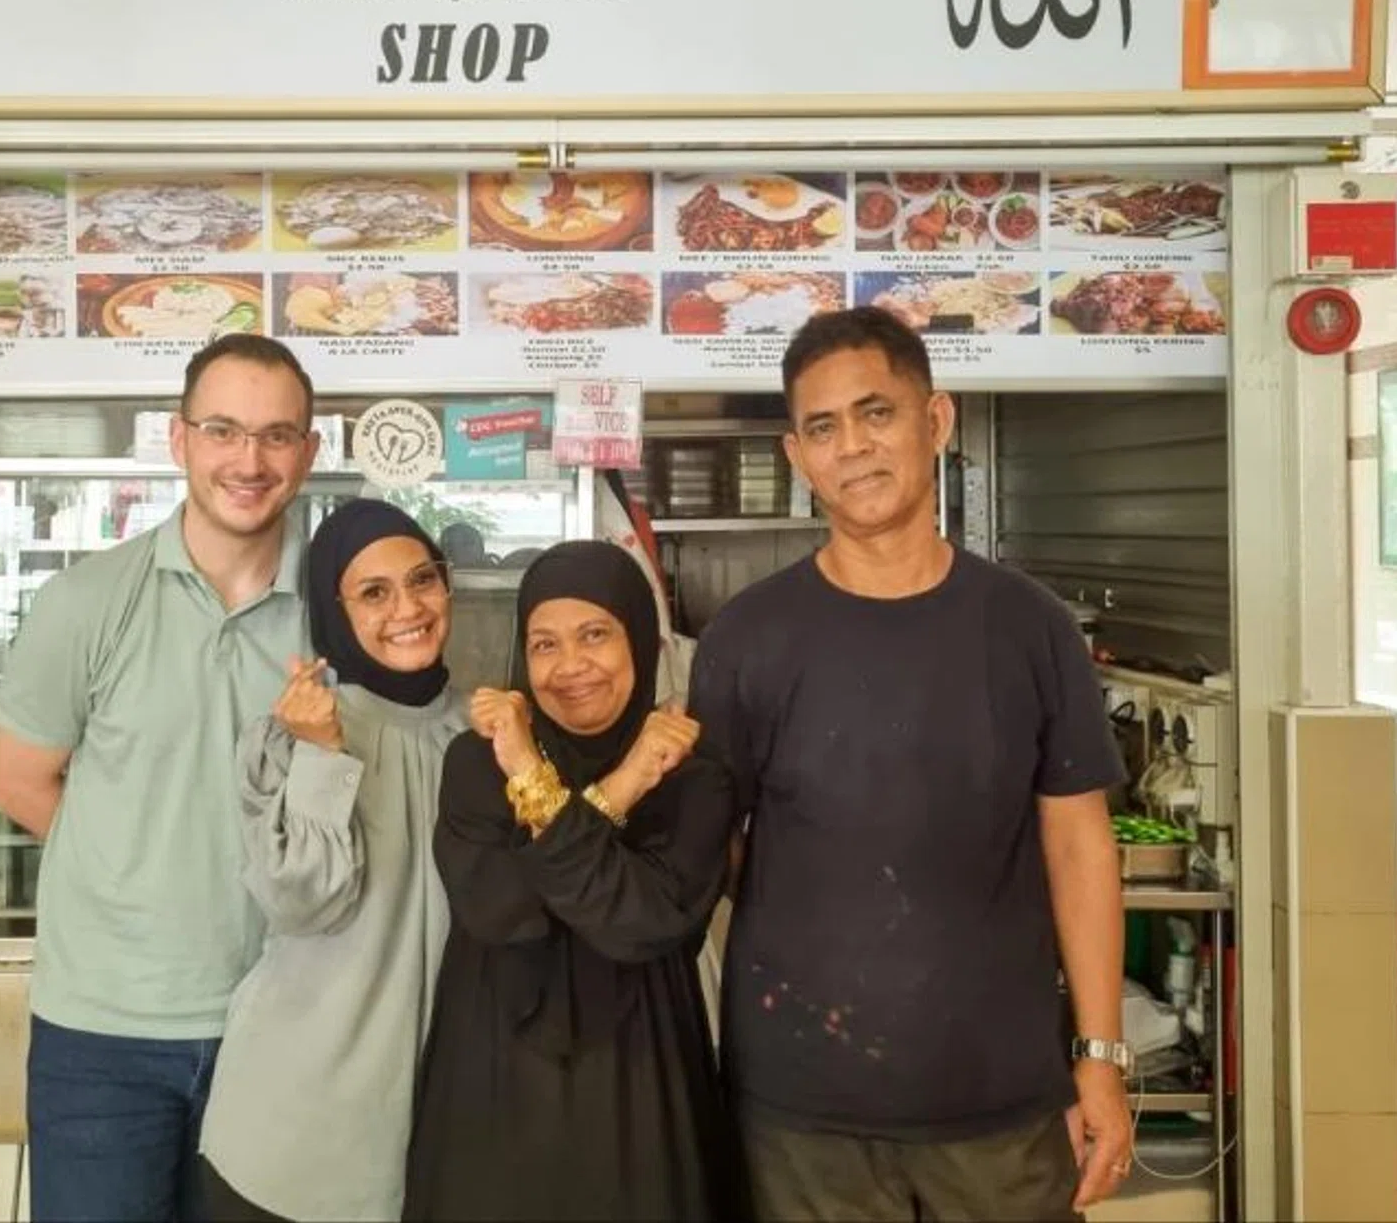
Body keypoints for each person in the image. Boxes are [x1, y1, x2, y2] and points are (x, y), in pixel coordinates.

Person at [691, 306, 1133, 1222]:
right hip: (804, 1113)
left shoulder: (1030, 627)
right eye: (823, 428)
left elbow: (1081, 847)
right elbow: (715, 843)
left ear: (936, 420)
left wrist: (1100, 1056)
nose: (852, 447)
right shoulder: (746, 640)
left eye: (876, 412)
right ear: (796, 457)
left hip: (1003, 1102)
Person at [0, 334, 321, 1223]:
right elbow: (20, 783)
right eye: (223, 430)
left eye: (277, 436)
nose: (248, 461)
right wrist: (140, 867)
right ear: (178, 441)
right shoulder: (87, 603)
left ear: (308, 453)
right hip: (103, 1035)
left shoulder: (341, 615)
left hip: (282, 1023)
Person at [403, 541, 738, 1222]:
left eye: (595, 635)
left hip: (644, 1078)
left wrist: (552, 807)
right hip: (492, 1074)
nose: (570, 667)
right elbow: (498, 909)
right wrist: (614, 787)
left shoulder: (693, 777)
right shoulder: (480, 763)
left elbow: (639, 924)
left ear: (639, 643)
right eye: (545, 644)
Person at [196, 499, 468, 1222]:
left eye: (423, 580)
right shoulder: (295, 733)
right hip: (295, 1138)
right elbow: (304, 902)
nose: (406, 608)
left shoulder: (482, 735)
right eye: (373, 593)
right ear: (333, 608)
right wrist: (322, 755)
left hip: (440, 1133)